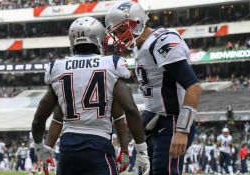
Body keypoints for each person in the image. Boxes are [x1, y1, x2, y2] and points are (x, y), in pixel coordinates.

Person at [31, 16, 150, 175]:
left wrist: (41, 148)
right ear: (98, 39)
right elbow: (129, 110)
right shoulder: (111, 64)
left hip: (68, 150)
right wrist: (140, 150)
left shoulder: (58, 68)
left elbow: (41, 118)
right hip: (98, 147)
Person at [105, 1, 202, 174]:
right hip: (152, 118)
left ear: (137, 22)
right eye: (116, 33)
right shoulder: (141, 46)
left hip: (172, 120)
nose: (119, 37)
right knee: (141, 170)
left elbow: (193, 86)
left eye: (121, 30)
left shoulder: (162, 40)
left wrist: (182, 131)